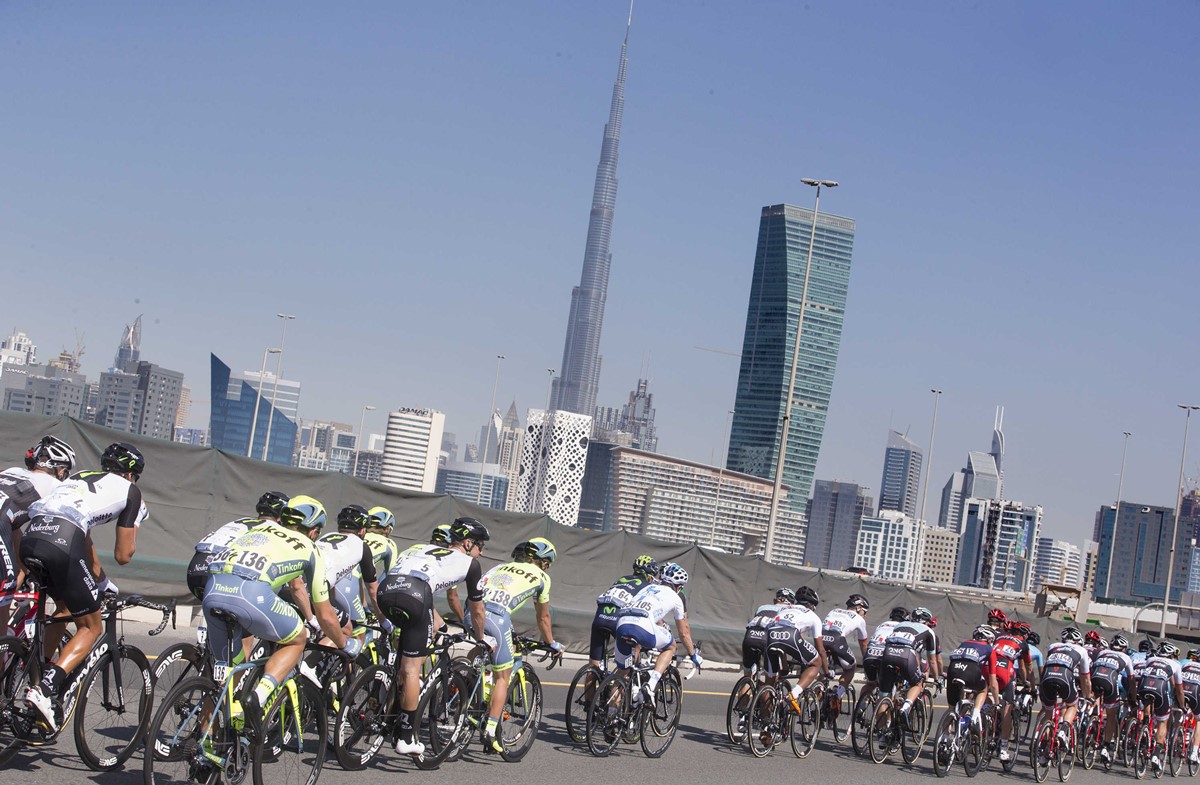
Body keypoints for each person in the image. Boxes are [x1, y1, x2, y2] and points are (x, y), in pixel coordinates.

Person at [20, 442, 146, 731]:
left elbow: (85, 542)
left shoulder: (79, 477)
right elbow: (123, 555)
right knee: (91, 627)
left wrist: (102, 582)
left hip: (32, 536)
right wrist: (134, 523)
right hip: (63, 541)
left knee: (65, 609)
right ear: (131, 475)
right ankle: (45, 689)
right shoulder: (131, 490)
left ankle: (35, 677)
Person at [203, 495, 357, 725]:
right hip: (250, 594)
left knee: (227, 677)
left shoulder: (261, 528)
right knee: (297, 638)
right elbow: (325, 615)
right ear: (314, 531)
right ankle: (259, 695)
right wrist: (344, 644)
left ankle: (206, 739)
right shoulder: (309, 547)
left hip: (212, 589)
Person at [377, 516, 488, 756]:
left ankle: (389, 698)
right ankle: (406, 738)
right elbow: (477, 610)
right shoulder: (471, 564)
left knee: (407, 654)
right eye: (480, 546)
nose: (481, 552)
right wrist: (480, 639)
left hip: (386, 591)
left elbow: (418, 587)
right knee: (412, 669)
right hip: (416, 596)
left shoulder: (423, 548)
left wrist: (440, 625)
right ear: (468, 543)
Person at [478, 537, 566, 753]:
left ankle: (465, 682)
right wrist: (551, 643)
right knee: (503, 676)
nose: (547, 568)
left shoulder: (501, 566)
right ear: (543, 561)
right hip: (497, 618)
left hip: (473, 611)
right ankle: (490, 730)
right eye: (547, 564)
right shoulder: (541, 577)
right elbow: (543, 617)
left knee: (482, 647)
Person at [0, 435, 75, 632]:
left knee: (11, 579)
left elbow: (13, 526)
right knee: (5, 594)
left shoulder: (11, 471)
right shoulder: (57, 488)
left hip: (3, 526)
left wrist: (23, 569)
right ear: (61, 470)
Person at [185, 491, 289, 601]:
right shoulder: (274, 530)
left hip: (196, 568)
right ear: (281, 517)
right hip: (218, 568)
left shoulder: (240, 521)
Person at [315, 504, 387, 644]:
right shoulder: (361, 546)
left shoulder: (325, 537)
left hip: (296, 587)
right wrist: (383, 621)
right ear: (362, 530)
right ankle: (313, 658)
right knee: (348, 632)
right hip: (318, 592)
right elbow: (373, 590)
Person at [590, 554, 659, 669]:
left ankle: (593, 674)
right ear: (650, 576)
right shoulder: (647, 587)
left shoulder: (622, 579)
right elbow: (646, 610)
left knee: (593, 666)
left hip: (600, 617)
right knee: (629, 661)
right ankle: (623, 677)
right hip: (617, 621)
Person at [879, 606, 942, 726]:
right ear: (927, 621)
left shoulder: (900, 625)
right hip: (906, 655)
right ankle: (905, 707)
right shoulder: (929, 631)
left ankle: (880, 731)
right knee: (917, 683)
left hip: (887, 654)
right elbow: (932, 660)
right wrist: (936, 678)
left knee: (884, 699)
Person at [761, 585, 826, 702]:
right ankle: (794, 694)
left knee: (769, 683)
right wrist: (826, 671)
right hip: (791, 635)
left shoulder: (784, 609)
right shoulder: (813, 616)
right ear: (812, 605)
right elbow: (820, 648)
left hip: (771, 635)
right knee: (816, 663)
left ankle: (764, 713)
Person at [1039, 627, 1093, 749]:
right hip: (1065, 677)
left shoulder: (1053, 646)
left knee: (1048, 712)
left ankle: (1043, 744)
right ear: (1078, 641)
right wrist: (1087, 695)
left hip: (1047, 677)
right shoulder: (1081, 650)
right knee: (1072, 705)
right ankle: (1063, 730)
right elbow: (1085, 678)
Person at [1138, 641, 1186, 774]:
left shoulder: (1151, 660)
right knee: (1162, 721)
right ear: (1171, 655)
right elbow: (1179, 689)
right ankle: (1156, 753)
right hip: (1159, 690)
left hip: (1143, 687)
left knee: (1148, 701)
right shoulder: (1175, 664)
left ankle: (1145, 725)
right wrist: (1182, 705)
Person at [991, 621, 1034, 762]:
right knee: (1007, 709)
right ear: (1025, 634)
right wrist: (1029, 684)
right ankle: (1003, 749)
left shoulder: (1000, 637)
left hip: (989, 666)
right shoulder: (1023, 644)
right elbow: (1025, 668)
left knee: (985, 694)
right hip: (1004, 669)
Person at [1091, 633, 1135, 766]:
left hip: (1095, 677)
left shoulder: (1102, 652)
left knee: (1094, 698)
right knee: (1111, 716)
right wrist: (1133, 698)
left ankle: (1087, 719)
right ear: (1124, 648)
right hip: (1110, 681)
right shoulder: (1126, 657)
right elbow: (1131, 680)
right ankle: (1105, 746)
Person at [945, 625, 998, 728]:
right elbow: (993, 681)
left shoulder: (964, 643)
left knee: (952, 709)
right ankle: (975, 714)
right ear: (990, 639)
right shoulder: (989, 649)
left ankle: (945, 735)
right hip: (971, 669)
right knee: (983, 689)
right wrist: (997, 702)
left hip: (953, 669)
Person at [821, 593, 870, 699]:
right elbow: (863, 644)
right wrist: (867, 663)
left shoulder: (834, 610)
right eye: (864, 611)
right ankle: (838, 695)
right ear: (858, 608)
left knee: (824, 671)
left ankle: (817, 690)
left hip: (821, 639)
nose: (865, 615)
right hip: (836, 640)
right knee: (851, 667)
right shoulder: (860, 619)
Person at [742, 588, 796, 678]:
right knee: (771, 677)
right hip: (767, 638)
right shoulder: (790, 611)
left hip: (750, 636)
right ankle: (769, 684)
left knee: (748, 674)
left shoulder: (762, 607)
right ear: (792, 604)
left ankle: (747, 682)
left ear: (775, 600)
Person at [861, 606, 909, 701]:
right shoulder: (904, 628)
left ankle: (861, 706)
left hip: (870, 654)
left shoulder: (882, 624)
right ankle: (886, 706)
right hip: (886, 656)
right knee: (887, 689)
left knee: (870, 684)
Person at [1182, 648, 1200, 764]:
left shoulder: (1187, 664)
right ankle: (1194, 752)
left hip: (1181, 692)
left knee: (1178, 711)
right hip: (1194, 694)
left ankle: (1172, 737)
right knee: (1199, 721)